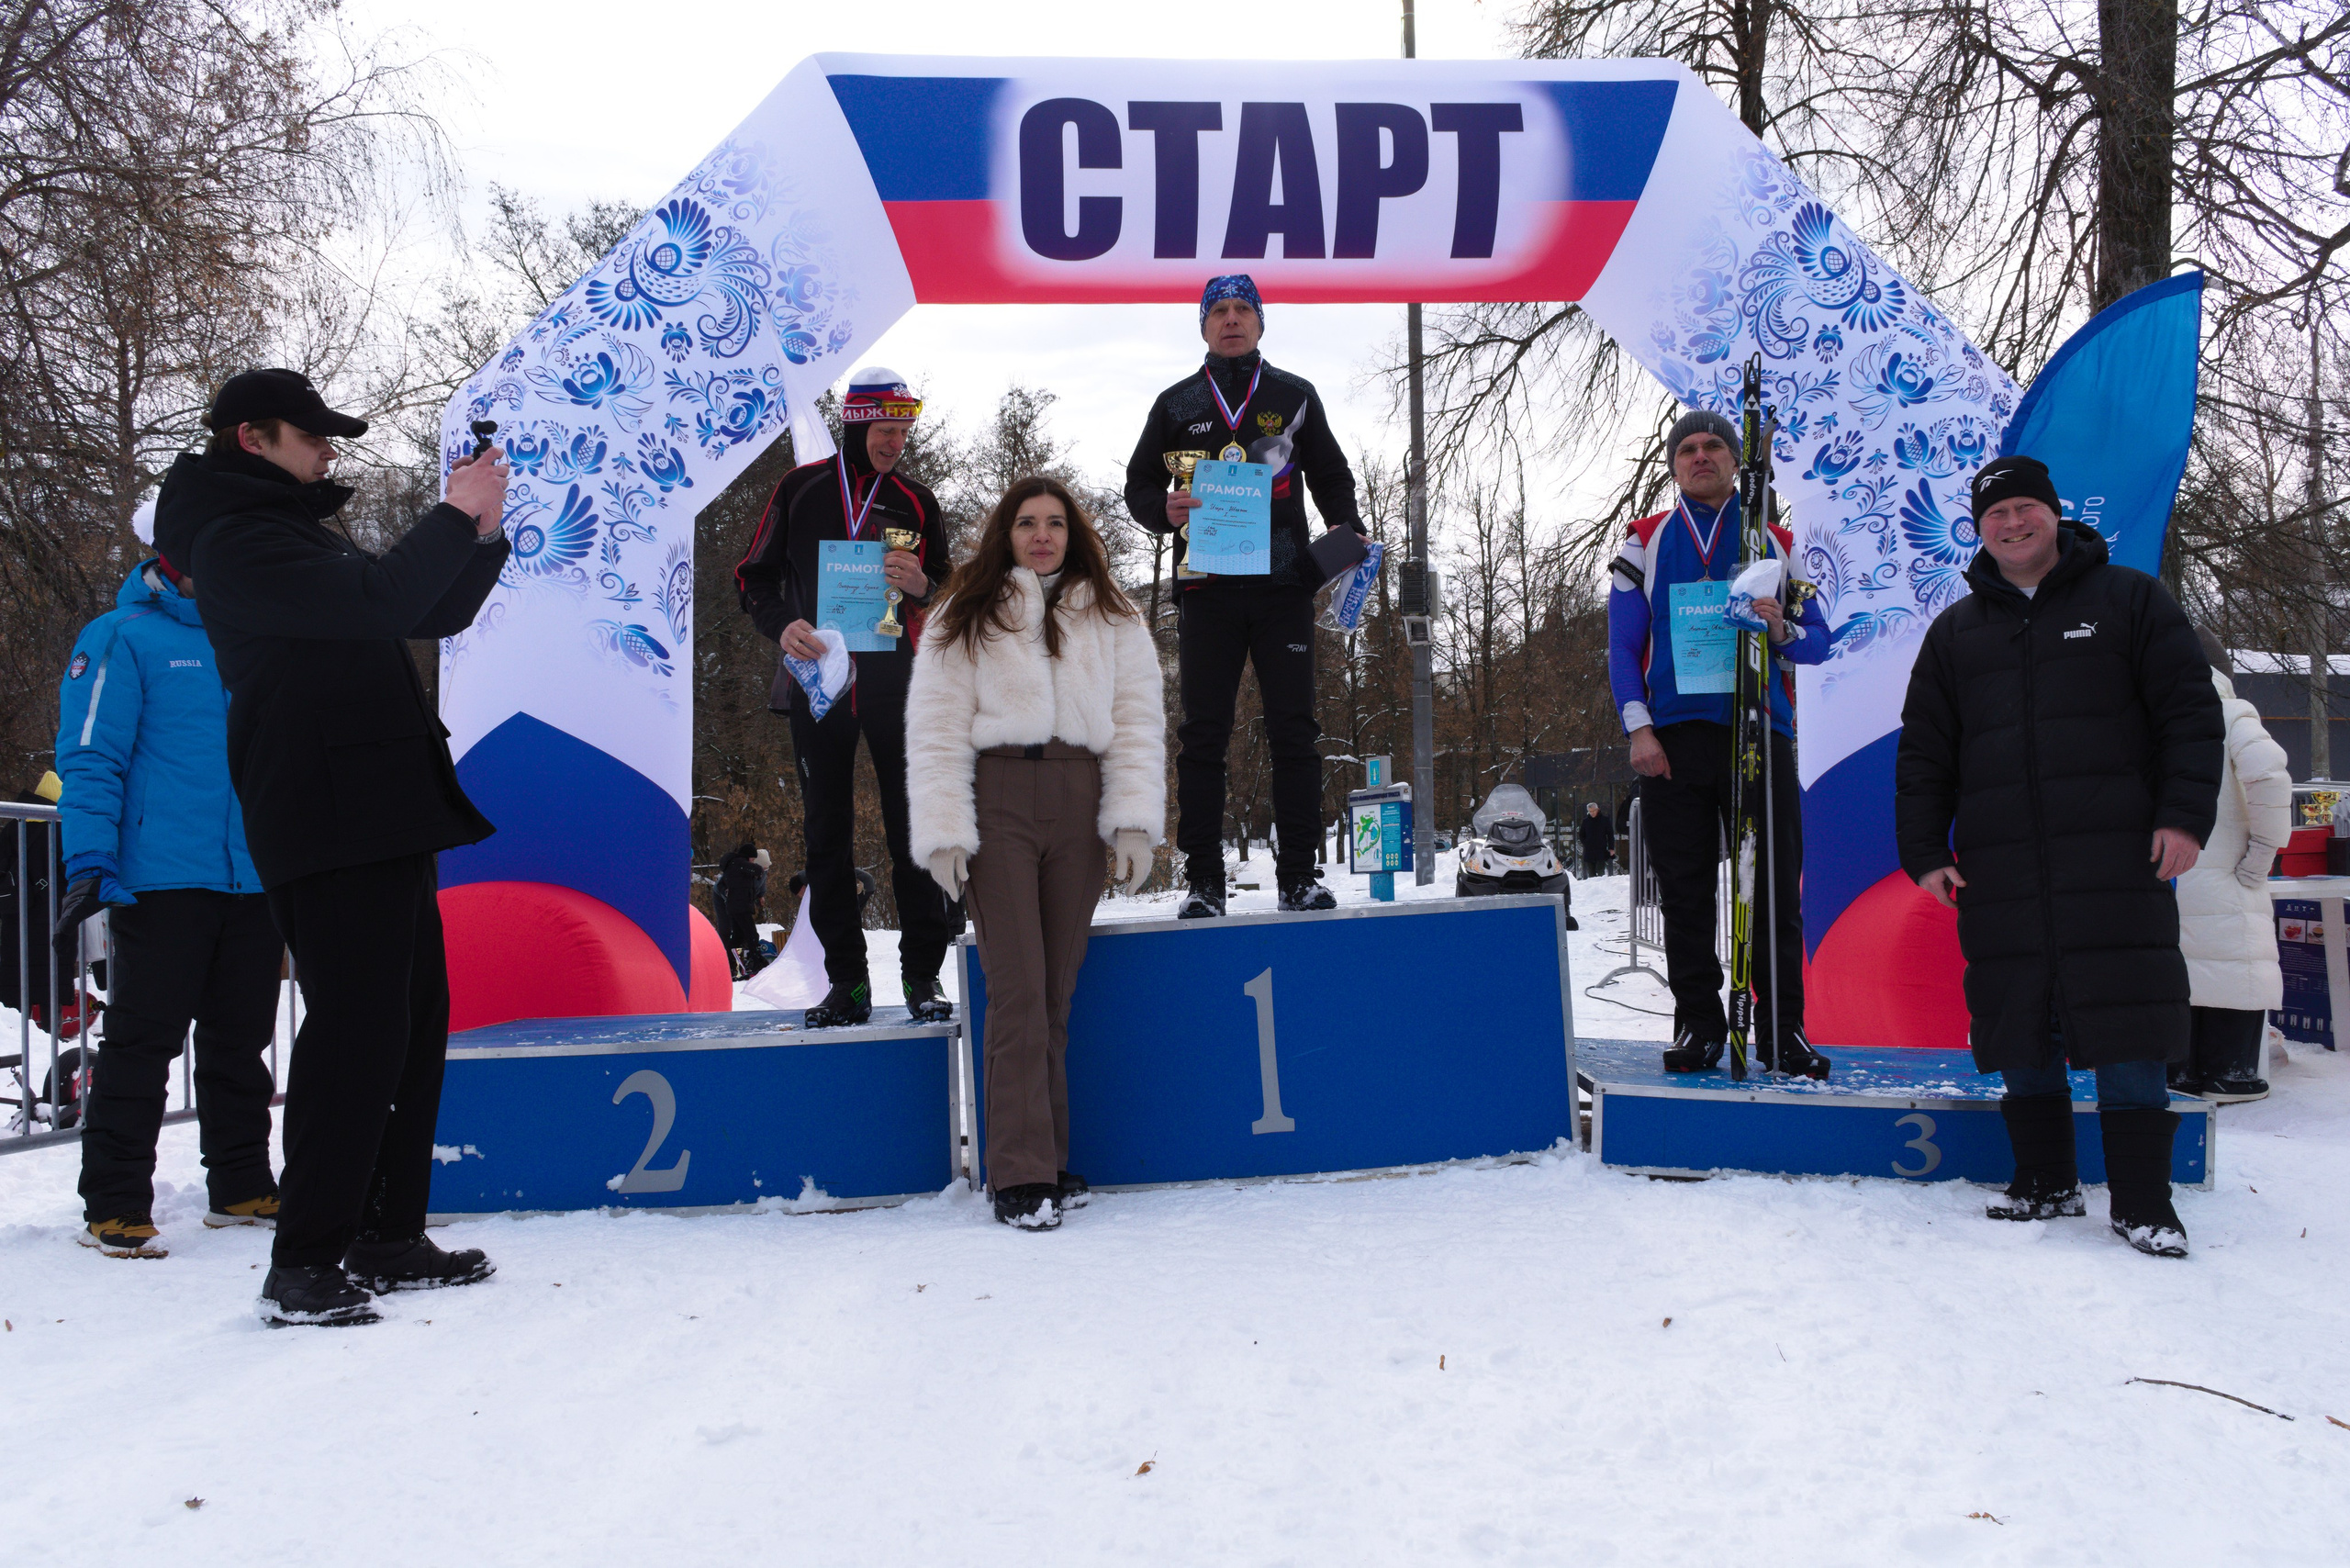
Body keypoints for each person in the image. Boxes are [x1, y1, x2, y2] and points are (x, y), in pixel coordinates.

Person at [155, 367, 510, 1326]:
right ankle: (304, 1261)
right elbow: (383, 600)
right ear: (249, 439)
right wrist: (451, 516)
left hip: (379, 803)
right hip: (326, 809)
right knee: (355, 1032)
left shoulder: (285, 529)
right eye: (310, 436)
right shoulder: (236, 539)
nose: (328, 450)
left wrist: (478, 536)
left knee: (409, 1022)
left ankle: (386, 1233)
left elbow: (427, 609)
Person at [1896, 454, 2222, 1258]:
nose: (2011, 525)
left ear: (2052, 513)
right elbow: (1925, 755)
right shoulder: (1956, 633)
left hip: (2117, 861)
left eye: (2024, 510)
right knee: (2019, 1022)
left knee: (2128, 1020)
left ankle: (2145, 1203)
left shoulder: (2131, 601)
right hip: (2001, 866)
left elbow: (2189, 716)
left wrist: (2184, 819)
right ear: (1979, 531)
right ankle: (2045, 1182)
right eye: (1994, 515)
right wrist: (1924, 852)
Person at [904, 476, 1165, 1229]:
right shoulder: (968, 609)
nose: (1042, 535)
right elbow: (937, 722)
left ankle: (1045, 1156)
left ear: (1074, 532)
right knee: (1017, 989)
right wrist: (946, 829)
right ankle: (1018, 1174)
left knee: (1054, 992)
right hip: (1000, 799)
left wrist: (1133, 820)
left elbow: (1138, 717)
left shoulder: (1113, 614)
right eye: (1027, 523)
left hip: (1080, 798)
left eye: (1055, 523)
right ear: (1006, 534)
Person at [51, 548, 281, 1259]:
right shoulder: (121, 635)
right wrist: (90, 857)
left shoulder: (257, 639)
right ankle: (115, 1202)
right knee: (142, 1044)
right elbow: (90, 754)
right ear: (171, 562)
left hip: (252, 876)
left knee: (240, 1042)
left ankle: (241, 1183)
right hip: (160, 879)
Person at [1124, 275, 1364, 919]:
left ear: (1261, 322)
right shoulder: (1176, 403)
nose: (1231, 321)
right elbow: (1138, 486)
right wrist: (1162, 510)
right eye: (1219, 312)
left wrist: (1346, 534)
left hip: (1285, 587)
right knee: (1203, 734)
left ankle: (1300, 876)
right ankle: (1204, 879)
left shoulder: (1294, 396)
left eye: (1242, 311)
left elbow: (1333, 479)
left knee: (1295, 732)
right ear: (1202, 326)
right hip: (1207, 591)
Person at [1608, 409, 1834, 1077]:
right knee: (1683, 892)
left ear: (1737, 461)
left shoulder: (1776, 541)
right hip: (1673, 742)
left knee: (1771, 893)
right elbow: (1622, 645)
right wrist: (1638, 728)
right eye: (1687, 449)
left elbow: (1820, 640)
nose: (1700, 456)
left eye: (1713, 447)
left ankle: (1781, 1030)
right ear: (1674, 464)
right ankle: (1699, 1026)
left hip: (1760, 733)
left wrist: (1782, 630)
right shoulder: (1642, 541)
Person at [735, 367, 957, 1026]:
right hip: (820, 684)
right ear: (857, 425)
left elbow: (948, 587)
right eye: (886, 430)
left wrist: (922, 582)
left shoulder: (917, 500)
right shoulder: (801, 489)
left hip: (897, 685)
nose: (896, 443)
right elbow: (754, 577)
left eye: (904, 431)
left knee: (912, 833)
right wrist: (783, 625)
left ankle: (922, 977)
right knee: (825, 837)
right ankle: (848, 984)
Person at [2174, 629, 2290, 1103]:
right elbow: (2269, 775)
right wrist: (2263, 853)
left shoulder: (2150, 713)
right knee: (2234, 966)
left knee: (2178, 972)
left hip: (2168, 873)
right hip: (2230, 872)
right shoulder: (2232, 711)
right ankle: (2232, 1073)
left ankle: (2177, 1072)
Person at [2, 771, 92, 1043]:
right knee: (52, 974)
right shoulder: (61, 828)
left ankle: (17, 1032)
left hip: (17, 914)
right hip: (54, 913)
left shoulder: (14, 827)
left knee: (18, 972)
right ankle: (48, 1033)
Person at [711, 844, 770, 980]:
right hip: (737, 905)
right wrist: (728, 897)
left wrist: (760, 895)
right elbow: (753, 870)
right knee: (750, 934)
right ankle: (756, 962)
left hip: (739, 905)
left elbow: (758, 884)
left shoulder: (740, 866)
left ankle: (735, 966)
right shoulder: (739, 864)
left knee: (738, 936)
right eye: (752, 860)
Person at [1576, 801, 1616, 879]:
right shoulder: (1586, 821)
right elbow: (1581, 835)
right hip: (1589, 850)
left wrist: (1611, 848)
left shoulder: (1605, 820)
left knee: (1600, 871)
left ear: (1597, 809)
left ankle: (1601, 888)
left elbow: (1610, 835)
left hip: (1601, 850)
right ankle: (1593, 889)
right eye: (1590, 811)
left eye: (1593, 811)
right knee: (1591, 873)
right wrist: (1586, 843)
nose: (1592, 813)